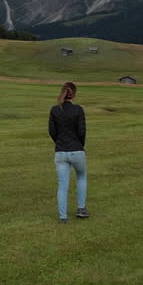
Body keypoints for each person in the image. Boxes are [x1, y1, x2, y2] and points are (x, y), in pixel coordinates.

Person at [48, 81, 88, 223]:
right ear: (74, 94)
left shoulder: (54, 110)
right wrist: (80, 145)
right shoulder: (78, 110)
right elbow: (82, 131)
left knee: (62, 185)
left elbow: (52, 131)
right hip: (76, 150)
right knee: (81, 176)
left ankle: (63, 217)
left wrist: (59, 143)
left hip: (60, 152)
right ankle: (81, 209)